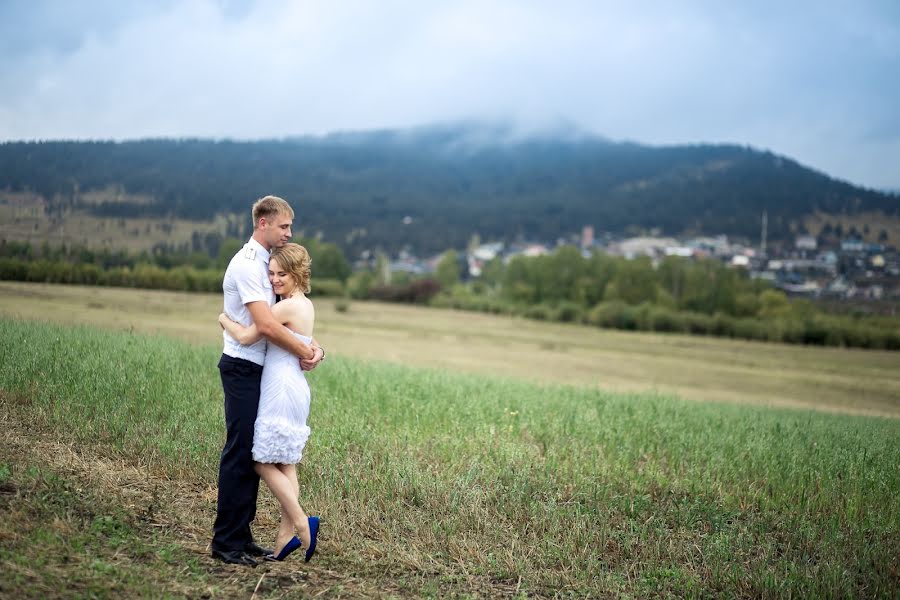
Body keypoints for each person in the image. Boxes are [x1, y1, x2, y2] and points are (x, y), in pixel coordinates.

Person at [212, 196, 324, 567]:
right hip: (243, 366)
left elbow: (288, 322)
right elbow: (266, 327)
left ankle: (243, 539)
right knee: (241, 455)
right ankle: (227, 542)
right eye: (284, 226)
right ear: (263, 223)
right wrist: (306, 351)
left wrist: (313, 349)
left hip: (267, 369)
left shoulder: (268, 264)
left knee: (255, 455)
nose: (289, 233)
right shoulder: (247, 266)